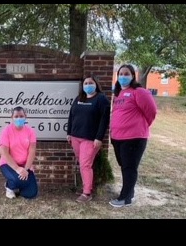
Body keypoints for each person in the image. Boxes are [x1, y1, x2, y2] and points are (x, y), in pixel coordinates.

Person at [109, 64, 157, 208]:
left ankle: (125, 198)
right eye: (121, 74)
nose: (123, 76)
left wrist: (139, 127)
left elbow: (151, 112)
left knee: (129, 168)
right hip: (117, 137)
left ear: (132, 76)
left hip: (134, 138)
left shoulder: (139, 92)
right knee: (124, 166)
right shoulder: (118, 94)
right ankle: (129, 193)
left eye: (126, 74)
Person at [67, 74, 111, 202]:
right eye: (85, 83)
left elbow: (104, 120)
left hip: (90, 138)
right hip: (75, 137)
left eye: (90, 83)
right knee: (83, 164)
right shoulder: (79, 98)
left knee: (85, 165)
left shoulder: (101, 99)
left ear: (96, 84)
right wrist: (69, 132)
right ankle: (86, 187)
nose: (88, 85)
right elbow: (71, 116)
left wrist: (99, 138)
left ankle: (87, 193)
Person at [0, 106, 38, 199]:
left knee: (31, 194)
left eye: (21, 116)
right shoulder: (6, 131)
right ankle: (9, 186)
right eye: (16, 116)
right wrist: (17, 169)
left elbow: (32, 151)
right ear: (12, 117)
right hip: (8, 164)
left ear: (25, 116)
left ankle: (18, 186)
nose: (19, 118)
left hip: (24, 164)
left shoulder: (30, 131)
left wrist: (26, 169)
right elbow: (4, 153)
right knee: (17, 179)